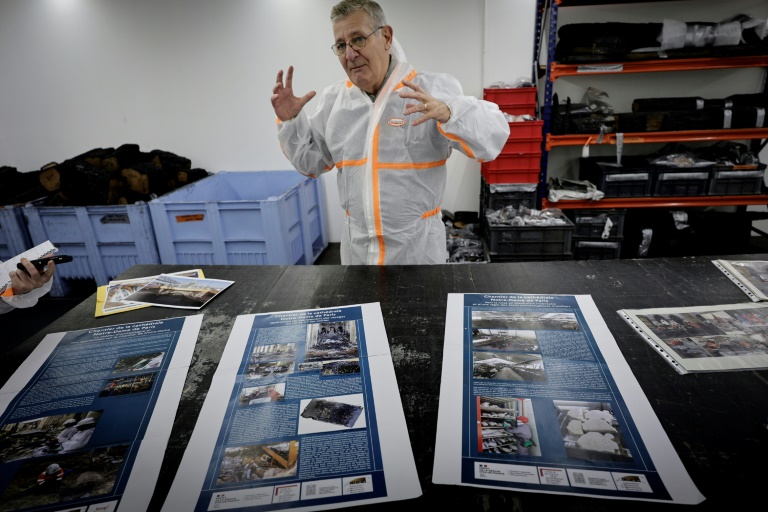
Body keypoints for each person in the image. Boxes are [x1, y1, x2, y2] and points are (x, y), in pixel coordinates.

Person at [272, 0, 509, 265]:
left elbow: (494, 137)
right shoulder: (335, 103)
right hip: (357, 255)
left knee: (419, 307)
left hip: (417, 254)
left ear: (386, 37)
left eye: (358, 39)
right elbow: (311, 162)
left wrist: (450, 113)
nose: (349, 54)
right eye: (341, 45)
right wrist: (291, 120)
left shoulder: (428, 90)